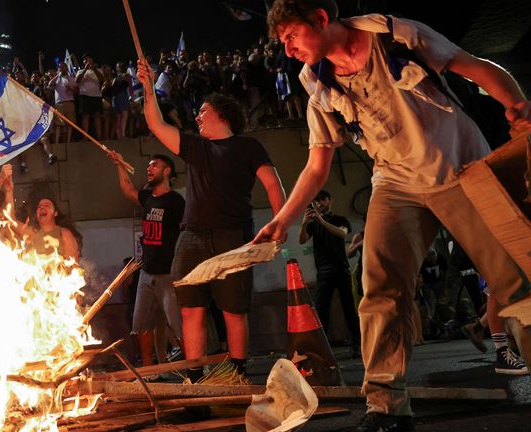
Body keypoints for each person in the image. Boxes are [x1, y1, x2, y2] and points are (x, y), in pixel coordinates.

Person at [257, 2, 531, 430]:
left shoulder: (395, 36)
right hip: (396, 181)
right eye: (283, 43)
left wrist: (517, 104)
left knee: (513, 281)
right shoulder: (316, 82)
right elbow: (317, 164)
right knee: (380, 288)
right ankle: (385, 407)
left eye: (292, 36)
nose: (287, 49)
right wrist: (283, 219)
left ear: (321, 18)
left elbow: (472, 66)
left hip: (461, 169)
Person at [135, 58, 287, 381]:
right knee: (191, 310)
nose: (198, 117)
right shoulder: (195, 147)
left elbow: (273, 184)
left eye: (203, 111)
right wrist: (148, 87)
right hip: (191, 237)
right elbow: (156, 124)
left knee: (234, 310)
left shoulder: (248, 147)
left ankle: (237, 375)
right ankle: (195, 379)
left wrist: (281, 222)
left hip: (233, 236)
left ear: (221, 113)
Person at [109, 151, 185, 367]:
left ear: (167, 171)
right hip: (146, 272)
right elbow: (128, 189)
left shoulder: (175, 201)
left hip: (168, 273)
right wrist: (119, 164)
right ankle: (149, 371)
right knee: (141, 324)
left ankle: (194, 371)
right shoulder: (148, 198)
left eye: (155, 166)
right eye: (149, 166)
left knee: (177, 326)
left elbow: (186, 232)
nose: (149, 169)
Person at [299, 189, 359, 356]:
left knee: (349, 309)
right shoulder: (313, 224)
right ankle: (322, 349)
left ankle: (356, 345)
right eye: (316, 202)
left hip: (341, 270)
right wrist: (304, 223)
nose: (319, 204)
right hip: (323, 272)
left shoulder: (341, 220)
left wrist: (320, 220)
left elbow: (341, 233)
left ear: (329, 200)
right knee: (321, 310)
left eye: (322, 200)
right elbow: (302, 240)